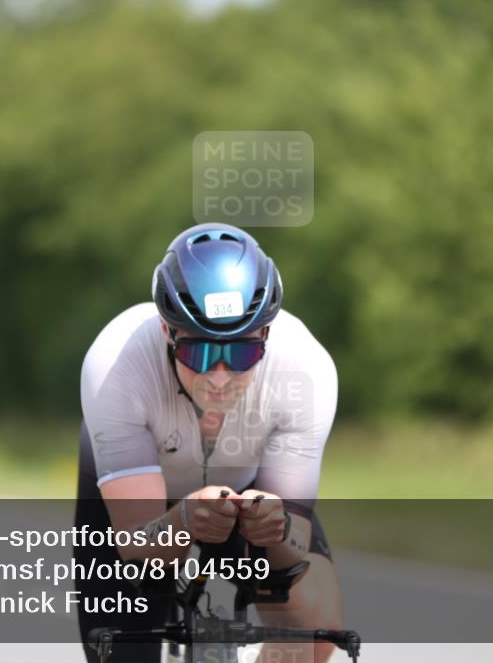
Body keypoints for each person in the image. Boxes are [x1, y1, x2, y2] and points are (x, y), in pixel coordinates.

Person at [74, 222, 342, 662]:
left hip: (248, 487)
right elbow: (136, 544)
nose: (219, 377)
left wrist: (275, 530)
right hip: (143, 504)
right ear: (166, 332)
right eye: (199, 353)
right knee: (120, 648)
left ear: (267, 338)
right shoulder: (116, 363)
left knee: (318, 625)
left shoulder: (306, 369)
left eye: (240, 353)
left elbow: (292, 547)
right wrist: (182, 520)